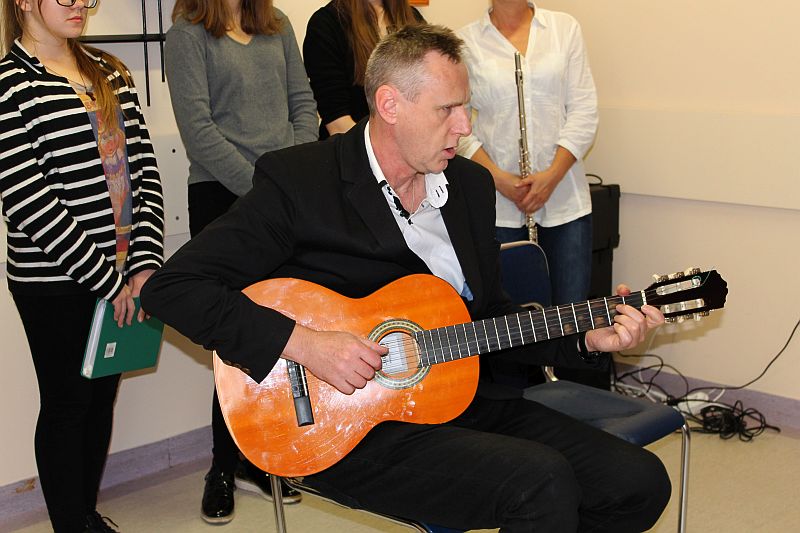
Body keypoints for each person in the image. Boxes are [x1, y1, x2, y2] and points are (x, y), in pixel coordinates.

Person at [142, 24, 670, 532]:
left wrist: (585, 337)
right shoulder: (301, 181)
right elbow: (174, 288)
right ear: (390, 105)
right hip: (348, 423)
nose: (465, 128)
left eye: (466, 108)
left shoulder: (468, 186)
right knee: (542, 484)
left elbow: (488, 317)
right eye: (448, 110)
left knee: (637, 482)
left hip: (460, 400)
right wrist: (306, 344)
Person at [0, 1, 165, 531]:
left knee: (99, 401)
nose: (79, 5)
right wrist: (108, 280)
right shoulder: (9, 85)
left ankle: (86, 516)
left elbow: (145, 171)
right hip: (54, 281)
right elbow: (28, 202)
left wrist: (143, 266)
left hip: (123, 277)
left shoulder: (109, 71)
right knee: (68, 404)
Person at [164, 0, 318, 524]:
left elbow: (304, 105)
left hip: (285, 195)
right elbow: (199, 130)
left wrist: (294, 177)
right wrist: (267, 191)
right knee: (236, 336)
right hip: (223, 196)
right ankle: (222, 467)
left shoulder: (277, 24)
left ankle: (261, 459)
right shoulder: (187, 35)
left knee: (282, 328)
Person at [457, 0, 598, 306]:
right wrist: (499, 180)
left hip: (564, 200)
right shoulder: (464, 42)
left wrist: (551, 177)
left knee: (571, 316)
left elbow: (584, 111)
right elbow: (458, 126)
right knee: (511, 318)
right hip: (499, 205)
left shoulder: (564, 28)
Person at [303, 0, 423, 140]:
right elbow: (337, 123)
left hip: (412, 145)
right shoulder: (326, 24)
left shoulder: (413, 17)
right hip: (355, 147)